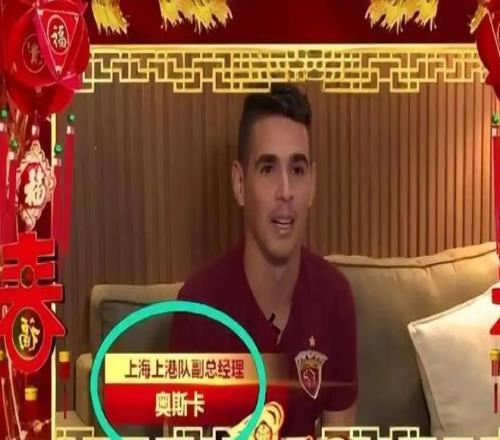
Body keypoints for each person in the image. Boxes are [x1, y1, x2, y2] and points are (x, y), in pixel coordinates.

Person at [169, 83, 357, 437]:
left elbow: (340, 431)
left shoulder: (335, 297)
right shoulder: (198, 309)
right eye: (268, 168)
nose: (285, 192)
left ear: (312, 184)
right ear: (240, 184)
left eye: (297, 170)